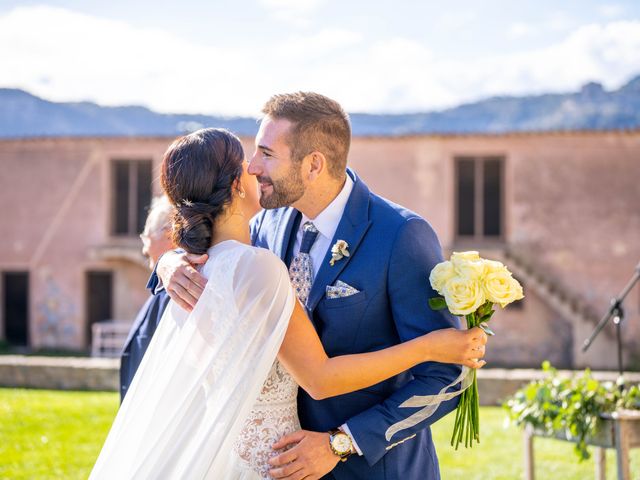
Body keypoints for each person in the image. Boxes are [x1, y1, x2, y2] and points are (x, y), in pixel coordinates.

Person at [90, 127, 487, 480]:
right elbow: (319, 378)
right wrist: (429, 347)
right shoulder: (255, 255)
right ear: (233, 187)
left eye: (265, 153)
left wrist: (168, 259)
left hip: (361, 466)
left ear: (313, 163)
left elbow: (445, 377)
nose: (256, 167)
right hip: (273, 461)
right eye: (249, 158)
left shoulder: (399, 233)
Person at [119, 195, 174, 402]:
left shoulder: (173, 292)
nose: (150, 265)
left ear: (170, 235)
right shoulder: (163, 287)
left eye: (147, 237)